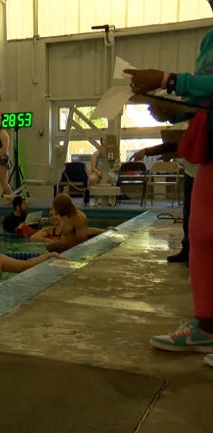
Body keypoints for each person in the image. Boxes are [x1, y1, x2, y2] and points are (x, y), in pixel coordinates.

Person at [126, 14, 213, 361]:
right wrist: (172, 111)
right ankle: (206, 326)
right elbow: (204, 98)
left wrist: (169, 80)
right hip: (209, 145)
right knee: (202, 233)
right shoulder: (209, 40)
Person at [131, 139, 194, 263]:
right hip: (191, 172)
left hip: (202, 173)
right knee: (188, 213)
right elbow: (173, 145)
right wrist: (146, 151)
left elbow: (173, 146)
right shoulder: (193, 128)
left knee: (197, 214)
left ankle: (195, 252)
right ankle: (187, 250)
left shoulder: (203, 124)